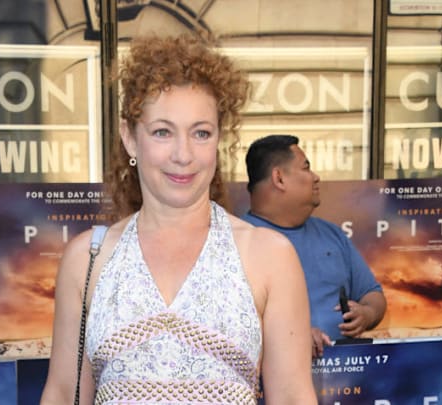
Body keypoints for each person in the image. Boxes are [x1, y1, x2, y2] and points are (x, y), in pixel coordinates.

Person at [40, 34, 317, 404]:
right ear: (130, 138)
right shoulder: (87, 259)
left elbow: (294, 397)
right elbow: (62, 394)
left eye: (201, 133)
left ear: (218, 139)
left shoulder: (268, 256)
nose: (183, 154)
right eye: (162, 132)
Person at [241, 134, 386, 358]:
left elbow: (372, 294)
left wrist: (366, 314)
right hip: (272, 385)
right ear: (279, 179)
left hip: (347, 379)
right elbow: (226, 323)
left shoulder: (332, 235)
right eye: (306, 168)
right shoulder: (236, 242)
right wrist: (291, 336)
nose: (315, 177)